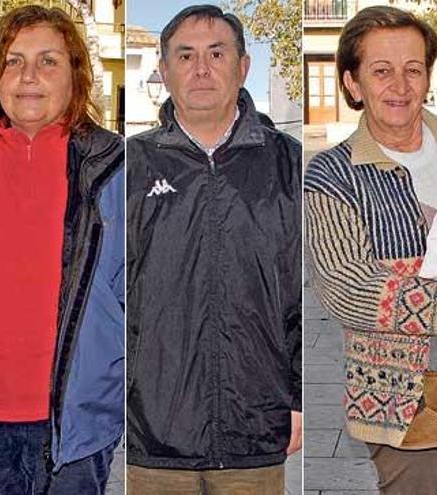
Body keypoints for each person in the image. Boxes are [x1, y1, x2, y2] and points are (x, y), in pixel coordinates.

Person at [126, 5, 302, 494]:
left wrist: (301, 397)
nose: (201, 69)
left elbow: (305, 295)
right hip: (154, 441)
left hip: (256, 437)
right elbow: (110, 300)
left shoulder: (289, 164)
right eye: (185, 55)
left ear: (243, 66)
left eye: (216, 53)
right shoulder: (131, 167)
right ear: (164, 71)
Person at [304, 6, 437, 495]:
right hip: (403, 402)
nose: (400, 86)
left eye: (413, 69)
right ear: (353, 83)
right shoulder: (332, 174)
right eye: (381, 71)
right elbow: (346, 286)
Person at [0, 5, 124, 494]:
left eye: (48, 61)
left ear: (75, 76)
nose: (28, 76)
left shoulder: (116, 168)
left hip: (76, 429)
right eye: (12, 61)